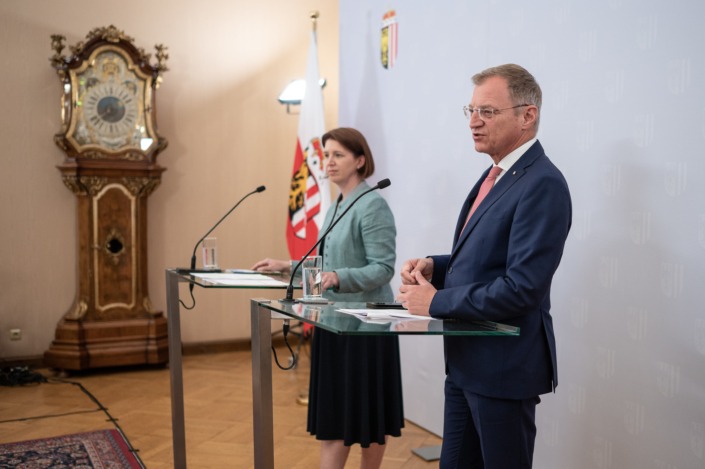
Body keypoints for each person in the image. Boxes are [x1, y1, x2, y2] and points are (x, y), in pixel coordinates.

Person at [396, 64, 572, 469]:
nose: (474, 122)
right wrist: (435, 266)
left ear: (528, 116)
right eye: (470, 111)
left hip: (503, 368)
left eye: (488, 112)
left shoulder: (542, 182)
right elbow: (485, 260)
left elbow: (521, 287)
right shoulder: (496, 174)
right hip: (465, 362)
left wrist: (435, 302)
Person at [252, 127, 403, 469]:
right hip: (333, 322)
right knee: (334, 417)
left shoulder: (372, 205)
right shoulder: (337, 205)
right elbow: (327, 263)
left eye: (338, 155)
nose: (329, 162)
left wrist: (337, 278)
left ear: (360, 161)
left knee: (369, 418)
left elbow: (382, 269)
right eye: (326, 155)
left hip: (365, 329)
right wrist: (285, 266)